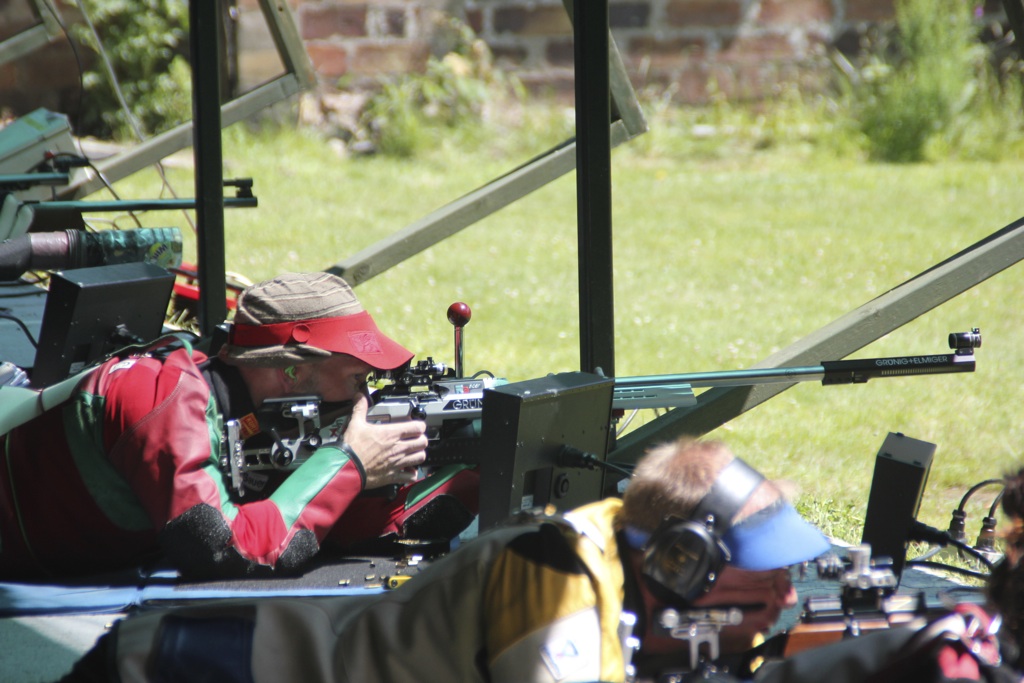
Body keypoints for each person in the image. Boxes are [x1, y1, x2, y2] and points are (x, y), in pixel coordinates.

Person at [58, 437, 832, 682]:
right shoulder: (557, 582)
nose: (780, 587)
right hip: (184, 669)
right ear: (679, 559)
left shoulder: (617, 543)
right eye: (759, 568)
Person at [0, 271, 478, 580]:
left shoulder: (248, 411)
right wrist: (348, 463)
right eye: (357, 377)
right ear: (292, 369)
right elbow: (219, 548)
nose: (365, 395)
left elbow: (320, 527)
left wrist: (423, 473)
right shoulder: (163, 400)